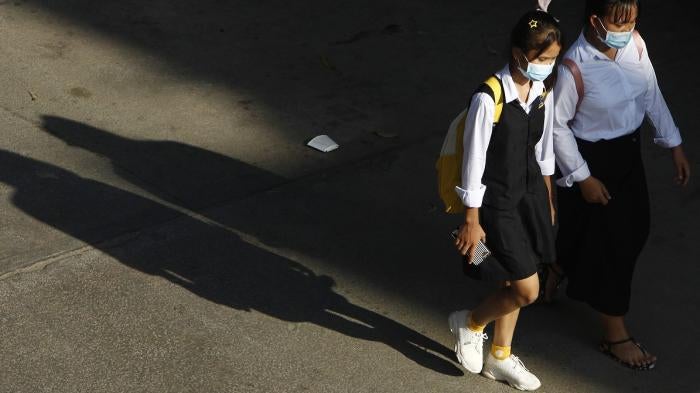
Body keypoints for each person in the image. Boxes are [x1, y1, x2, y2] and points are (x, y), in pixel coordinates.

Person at [544, 0, 691, 370]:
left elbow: (651, 93)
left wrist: (673, 143)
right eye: (618, 23)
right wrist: (583, 178)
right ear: (595, 21)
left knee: (626, 229)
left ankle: (558, 267)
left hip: (628, 156)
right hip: (589, 161)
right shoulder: (574, 67)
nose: (626, 30)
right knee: (615, 245)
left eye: (633, 22)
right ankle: (614, 334)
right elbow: (557, 127)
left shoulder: (636, 46)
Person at [448, 10, 561, 391]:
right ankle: (471, 322)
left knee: (514, 277)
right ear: (518, 54)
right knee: (525, 288)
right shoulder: (489, 96)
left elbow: (543, 149)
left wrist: (547, 196)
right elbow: (474, 159)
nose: (548, 67)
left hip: (528, 198)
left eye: (552, 60)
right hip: (495, 205)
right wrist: (471, 219)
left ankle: (499, 356)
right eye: (542, 59)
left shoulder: (542, 91)